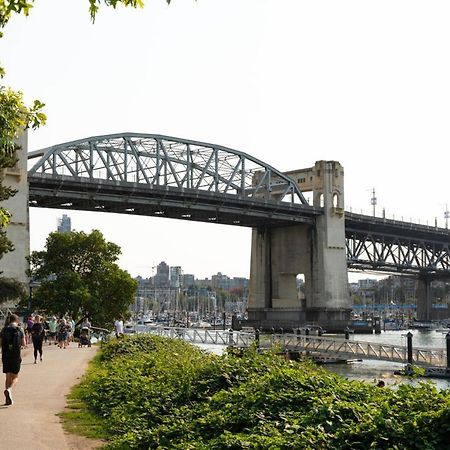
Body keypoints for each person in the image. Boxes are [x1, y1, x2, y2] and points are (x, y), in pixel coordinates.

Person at [0, 314, 26, 406]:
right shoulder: (20, 329)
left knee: (8, 376)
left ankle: (8, 398)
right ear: (17, 320)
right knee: (15, 377)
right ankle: (9, 390)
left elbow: (0, 343)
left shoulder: (4, 329)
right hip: (15, 356)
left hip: (6, 355)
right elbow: (24, 344)